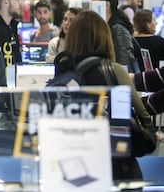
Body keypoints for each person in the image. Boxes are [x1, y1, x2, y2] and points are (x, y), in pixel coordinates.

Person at [64, 10, 156, 181]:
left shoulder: (64, 76)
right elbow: (143, 116)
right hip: (118, 166)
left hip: (77, 166)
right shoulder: (115, 71)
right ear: (104, 37)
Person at [93, 0, 138, 73]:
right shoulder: (106, 26)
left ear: (106, 5)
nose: (92, 8)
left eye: (94, 4)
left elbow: (124, 61)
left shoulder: (118, 29)